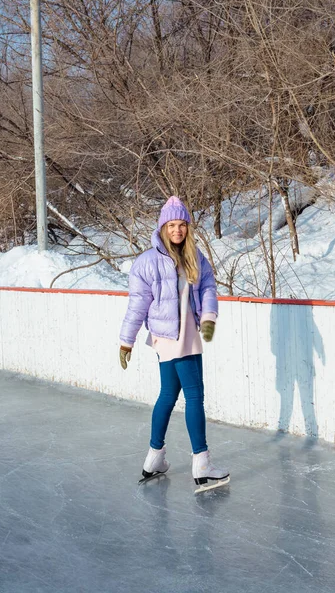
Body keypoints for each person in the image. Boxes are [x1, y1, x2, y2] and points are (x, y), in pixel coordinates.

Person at [119, 196, 230, 493]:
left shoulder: (194, 255)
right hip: (171, 336)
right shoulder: (147, 262)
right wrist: (125, 341)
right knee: (195, 396)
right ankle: (202, 464)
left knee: (168, 394)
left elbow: (208, 286)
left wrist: (208, 316)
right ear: (163, 227)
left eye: (182, 225)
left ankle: (154, 457)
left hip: (190, 331)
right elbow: (137, 305)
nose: (177, 230)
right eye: (172, 225)